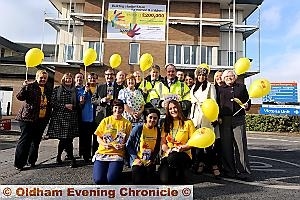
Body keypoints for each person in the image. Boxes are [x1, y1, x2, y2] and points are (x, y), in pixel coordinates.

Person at [217, 69, 251, 181]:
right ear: (223, 78)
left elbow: (247, 100)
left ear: (235, 77)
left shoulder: (241, 87)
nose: (229, 78)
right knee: (226, 146)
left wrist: (247, 105)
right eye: (226, 77)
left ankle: (243, 171)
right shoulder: (220, 89)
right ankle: (229, 171)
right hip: (225, 120)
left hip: (238, 119)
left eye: (231, 76)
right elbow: (216, 104)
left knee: (240, 146)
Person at [14, 70, 52, 170]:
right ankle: (19, 164)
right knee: (25, 141)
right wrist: (23, 87)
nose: (43, 79)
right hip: (27, 118)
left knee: (36, 141)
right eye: (41, 77)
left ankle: (32, 161)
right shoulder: (30, 86)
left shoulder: (48, 89)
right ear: (37, 77)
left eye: (45, 78)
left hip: (41, 119)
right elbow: (19, 97)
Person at [190, 66, 221, 178]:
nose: (201, 77)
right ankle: (200, 163)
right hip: (196, 117)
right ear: (196, 76)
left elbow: (214, 102)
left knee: (208, 144)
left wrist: (215, 117)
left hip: (207, 117)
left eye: (203, 75)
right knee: (198, 143)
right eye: (199, 75)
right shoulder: (193, 87)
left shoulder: (210, 86)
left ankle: (214, 165)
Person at [92, 99, 132, 184]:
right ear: (112, 108)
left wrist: (123, 145)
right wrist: (105, 144)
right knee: (99, 180)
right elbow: (98, 137)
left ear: (123, 109)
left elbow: (129, 141)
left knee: (111, 180)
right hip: (103, 153)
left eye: (120, 108)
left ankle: (116, 173)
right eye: (115, 107)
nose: (117, 110)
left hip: (117, 154)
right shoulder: (106, 120)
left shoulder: (127, 123)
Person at [46, 73, 79, 168]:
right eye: (66, 79)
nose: (68, 80)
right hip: (60, 118)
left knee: (68, 139)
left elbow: (77, 105)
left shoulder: (75, 91)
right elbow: (52, 102)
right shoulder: (57, 89)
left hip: (71, 118)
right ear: (63, 80)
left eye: (70, 79)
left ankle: (59, 156)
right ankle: (71, 158)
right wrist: (64, 106)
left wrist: (79, 103)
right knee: (64, 138)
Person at [159, 100, 196, 184]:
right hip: (168, 155)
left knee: (174, 157)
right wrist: (168, 150)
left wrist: (183, 147)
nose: (173, 110)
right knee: (164, 180)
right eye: (170, 109)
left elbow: (193, 141)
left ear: (179, 108)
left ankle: (182, 172)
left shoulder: (188, 122)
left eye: (175, 107)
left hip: (183, 153)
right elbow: (163, 142)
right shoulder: (166, 124)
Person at [126, 108, 162, 184]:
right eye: (150, 117)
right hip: (137, 160)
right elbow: (128, 145)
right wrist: (135, 158)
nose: (152, 120)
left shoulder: (158, 130)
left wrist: (152, 159)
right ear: (146, 118)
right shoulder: (138, 128)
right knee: (138, 181)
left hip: (149, 161)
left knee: (150, 181)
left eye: (155, 118)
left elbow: (157, 148)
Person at [92, 69, 122, 154]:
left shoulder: (119, 87)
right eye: (107, 75)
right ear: (105, 76)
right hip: (101, 115)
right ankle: (96, 152)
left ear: (114, 76)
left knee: (113, 134)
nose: (109, 76)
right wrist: (101, 100)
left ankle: (112, 151)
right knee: (99, 135)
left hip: (114, 115)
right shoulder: (100, 87)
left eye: (111, 74)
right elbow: (93, 100)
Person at [77, 72, 98, 163]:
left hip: (97, 117)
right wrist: (85, 91)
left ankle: (95, 155)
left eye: (94, 78)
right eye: (90, 78)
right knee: (86, 138)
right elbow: (81, 101)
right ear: (87, 80)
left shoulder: (99, 89)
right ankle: (86, 156)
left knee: (96, 138)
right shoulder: (81, 90)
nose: (92, 80)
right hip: (86, 117)